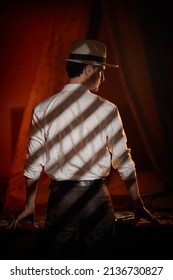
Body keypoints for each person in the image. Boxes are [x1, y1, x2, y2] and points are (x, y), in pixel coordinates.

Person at [9, 39, 160, 259]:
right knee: (101, 264)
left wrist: (30, 204)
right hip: (96, 198)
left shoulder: (42, 109)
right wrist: (136, 201)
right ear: (89, 69)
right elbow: (123, 159)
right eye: (101, 71)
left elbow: (33, 162)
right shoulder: (107, 109)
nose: (103, 77)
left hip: (60, 198)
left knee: (58, 267)